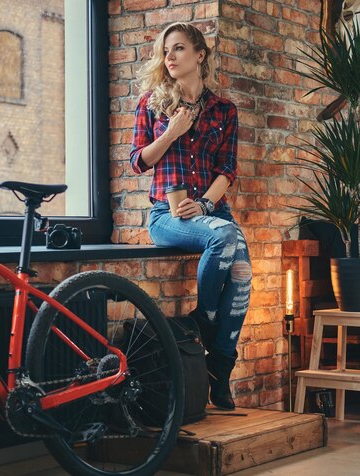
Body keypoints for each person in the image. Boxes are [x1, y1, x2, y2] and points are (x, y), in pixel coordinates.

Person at [129, 22, 252, 410]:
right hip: (167, 215)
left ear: (200, 55)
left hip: (209, 210)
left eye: (179, 48)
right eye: (166, 50)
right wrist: (171, 133)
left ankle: (220, 366)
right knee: (227, 238)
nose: (169, 56)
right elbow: (137, 162)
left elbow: (226, 170)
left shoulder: (224, 110)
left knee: (242, 269)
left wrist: (205, 206)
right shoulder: (153, 102)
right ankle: (208, 328)